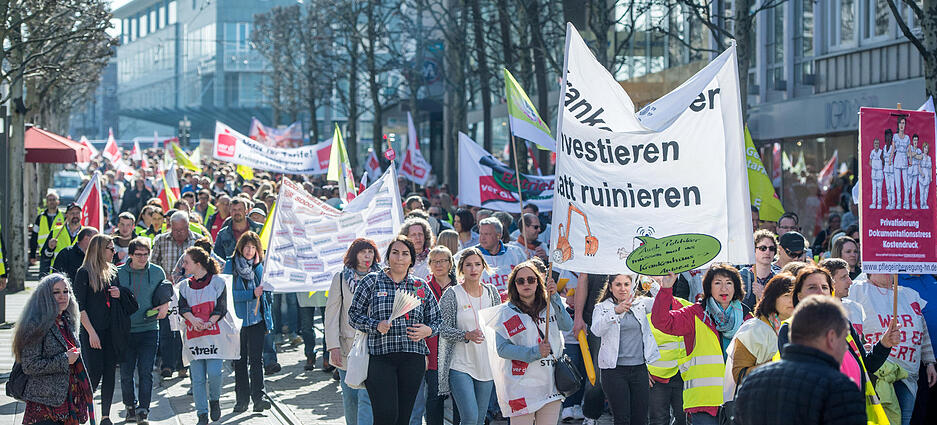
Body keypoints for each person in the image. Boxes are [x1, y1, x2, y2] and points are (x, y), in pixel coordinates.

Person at [348, 235, 441, 425]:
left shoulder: (419, 286)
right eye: (395, 253)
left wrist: (427, 330)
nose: (400, 258)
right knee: (385, 416)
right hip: (380, 357)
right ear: (388, 256)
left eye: (405, 254)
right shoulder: (372, 281)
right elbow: (353, 315)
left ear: (411, 259)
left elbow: (438, 320)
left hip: (412, 358)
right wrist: (375, 325)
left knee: (403, 418)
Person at [735, 295, 867, 425]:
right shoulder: (839, 388)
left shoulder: (752, 383)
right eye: (844, 339)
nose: (845, 348)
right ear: (831, 338)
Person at [651, 264, 752, 425]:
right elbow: (661, 322)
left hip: (738, 400)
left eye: (729, 282)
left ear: (736, 287)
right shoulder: (695, 313)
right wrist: (666, 289)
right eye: (718, 282)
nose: (724, 288)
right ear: (708, 287)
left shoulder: (747, 318)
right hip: (704, 402)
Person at [489, 260, 572, 425]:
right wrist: (534, 352)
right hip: (519, 386)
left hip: (550, 384)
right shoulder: (505, 312)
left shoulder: (550, 304)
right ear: (514, 285)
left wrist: (554, 296)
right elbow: (502, 349)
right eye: (520, 281)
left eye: (531, 279)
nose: (526, 284)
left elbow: (567, 325)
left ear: (538, 282)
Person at [850, 273, 937, 425]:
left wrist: (929, 362)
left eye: (892, 268)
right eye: (884, 268)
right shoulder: (859, 289)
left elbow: (922, 330)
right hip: (879, 372)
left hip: (908, 373)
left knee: (904, 419)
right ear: (870, 272)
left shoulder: (909, 294)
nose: (890, 272)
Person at [12, 273, 94, 425]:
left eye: (66, 291)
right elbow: (30, 365)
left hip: (69, 401)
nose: (62, 296)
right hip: (44, 405)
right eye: (56, 292)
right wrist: (65, 359)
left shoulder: (66, 321)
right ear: (45, 296)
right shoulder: (36, 324)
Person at [74, 234, 137, 425]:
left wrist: (119, 294)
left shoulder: (113, 271)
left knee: (110, 372)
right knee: (94, 372)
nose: (114, 252)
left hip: (112, 331)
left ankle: (105, 416)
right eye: (110, 248)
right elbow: (79, 306)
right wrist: (91, 332)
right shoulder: (84, 272)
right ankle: (81, 410)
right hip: (92, 331)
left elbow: (118, 300)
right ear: (100, 250)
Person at [437, 247, 501, 425]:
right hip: (460, 365)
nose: (473, 269)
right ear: (461, 269)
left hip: (485, 365)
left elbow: (499, 325)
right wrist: (466, 335)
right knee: (470, 418)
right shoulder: (452, 294)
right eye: (468, 265)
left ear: (483, 267)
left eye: (477, 264)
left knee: (479, 421)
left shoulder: (491, 292)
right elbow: (441, 328)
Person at [590, 274, 661, 425]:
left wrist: (648, 281)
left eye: (626, 284)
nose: (623, 289)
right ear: (610, 287)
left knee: (641, 418)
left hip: (639, 369)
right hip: (613, 371)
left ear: (632, 286)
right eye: (618, 284)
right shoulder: (602, 307)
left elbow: (663, 304)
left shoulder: (641, 304)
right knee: (622, 418)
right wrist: (615, 312)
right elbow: (596, 330)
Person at [326, 238, 381, 425]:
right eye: (363, 252)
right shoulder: (341, 278)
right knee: (350, 397)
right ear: (354, 255)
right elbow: (332, 315)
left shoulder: (383, 277)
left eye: (371, 252)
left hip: (375, 346)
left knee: (369, 397)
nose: (367, 256)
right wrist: (333, 346)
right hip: (348, 347)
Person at [117, 237, 169, 424]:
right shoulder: (118, 273)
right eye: (138, 254)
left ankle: (144, 410)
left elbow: (165, 294)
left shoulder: (157, 272)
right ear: (130, 255)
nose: (142, 258)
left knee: (146, 371)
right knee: (126, 372)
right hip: (126, 331)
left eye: (146, 254)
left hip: (149, 329)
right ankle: (130, 406)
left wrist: (165, 306)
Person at [178, 247, 230, 425]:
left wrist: (209, 322)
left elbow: (221, 307)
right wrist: (192, 319)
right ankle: (201, 413)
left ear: (198, 264)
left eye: (186, 262)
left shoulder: (217, 282)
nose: (183, 265)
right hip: (194, 337)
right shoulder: (184, 286)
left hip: (214, 336)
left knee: (215, 373)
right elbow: (182, 307)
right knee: (197, 378)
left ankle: (214, 400)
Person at [723, 273, 795, 401]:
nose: (792, 300)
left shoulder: (796, 328)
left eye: (795, 295)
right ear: (773, 299)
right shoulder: (754, 329)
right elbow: (739, 375)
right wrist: (777, 365)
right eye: (786, 295)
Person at [224, 231, 273, 414]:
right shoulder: (231, 266)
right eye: (247, 247)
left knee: (256, 360)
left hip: (257, 320)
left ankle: (259, 398)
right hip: (238, 322)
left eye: (253, 247)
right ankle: (241, 400)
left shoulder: (260, 267)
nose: (250, 251)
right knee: (240, 360)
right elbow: (228, 294)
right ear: (241, 247)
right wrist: (251, 294)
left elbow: (267, 293)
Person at [424, 246, 460, 425]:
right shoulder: (423, 289)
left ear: (450, 264)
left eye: (443, 260)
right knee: (434, 398)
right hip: (433, 353)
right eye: (434, 261)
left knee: (460, 399)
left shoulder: (460, 288)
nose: (438, 265)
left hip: (459, 351)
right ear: (429, 265)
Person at [457, 217, 527, 299]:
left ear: (499, 235)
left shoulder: (516, 253)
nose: (482, 238)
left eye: (487, 234)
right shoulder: (466, 255)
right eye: (481, 234)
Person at [739, 229, 777, 310]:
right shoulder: (740, 277)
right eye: (763, 248)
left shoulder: (778, 280)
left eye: (771, 248)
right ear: (753, 250)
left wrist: (763, 295)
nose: (767, 252)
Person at [42, 204, 83, 278]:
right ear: (66, 215)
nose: (75, 216)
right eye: (72, 213)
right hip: (59, 274)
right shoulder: (55, 232)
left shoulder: (86, 233)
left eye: (77, 213)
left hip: (79, 275)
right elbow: (45, 256)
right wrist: (50, 249)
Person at [32, 191, 65, 273]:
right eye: (49, 200)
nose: (52, 202)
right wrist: (32, 254)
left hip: (59, 252)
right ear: (46, 202)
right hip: (45, 253)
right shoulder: (40, 218)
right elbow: (34, 236)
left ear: (58, 201)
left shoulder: (64, 217)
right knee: (43, 277)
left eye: (54, 199)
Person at [399, 217, 435, 282]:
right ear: (406, 237)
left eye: (420, 234)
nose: (418, 238)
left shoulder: (434, 256)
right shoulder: (401, 259)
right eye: (413, 235)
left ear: (425, 236)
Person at [917, 142, 931, 209]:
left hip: (927, 175)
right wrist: (921, 173)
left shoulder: (929, 158)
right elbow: (919, 165)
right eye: (925, 148)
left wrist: (930, 177)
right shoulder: (921, 156)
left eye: (927, 148)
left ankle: (925, 204)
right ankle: (921, 204)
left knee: (926, 191)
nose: (926, 149)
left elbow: (930, 168)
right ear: (923, 148)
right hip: (922, 175)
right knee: (922, 191)